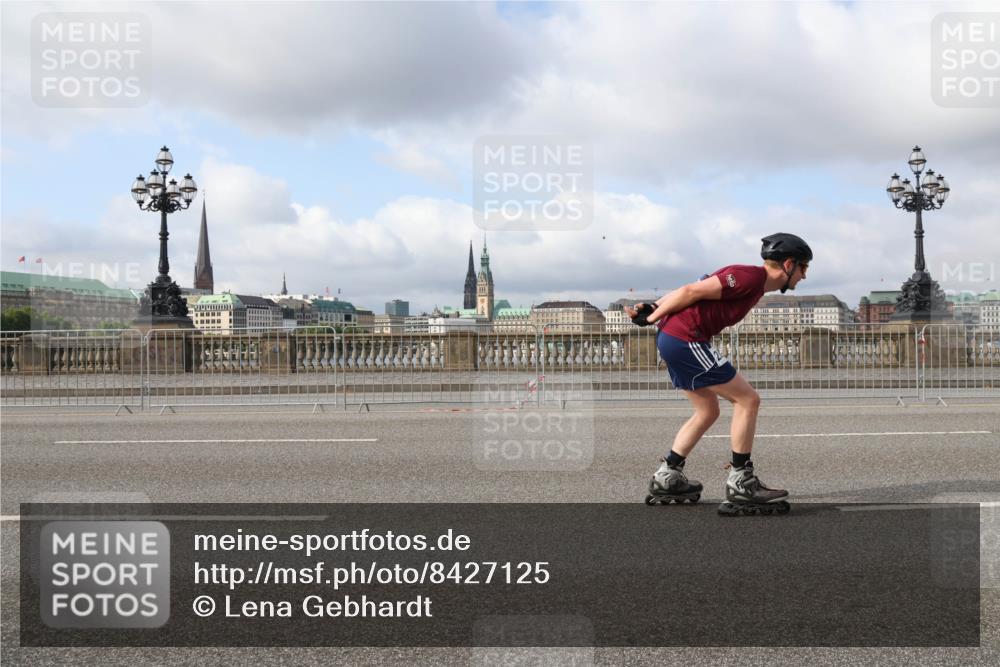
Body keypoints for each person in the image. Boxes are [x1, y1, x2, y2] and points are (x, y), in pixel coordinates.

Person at [625, 233, 812, 515]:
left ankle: (668, 476)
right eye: (803, 268)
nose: (804, 276)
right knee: (748, 400)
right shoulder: (750, 277)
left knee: (707, 411)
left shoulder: (754, 283)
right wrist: (651, 316)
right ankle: (742, 483)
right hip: (686, 338)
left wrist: (654, 306)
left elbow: (694, 290)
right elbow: (690, 291)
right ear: (788, 264)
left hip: (675, 338)